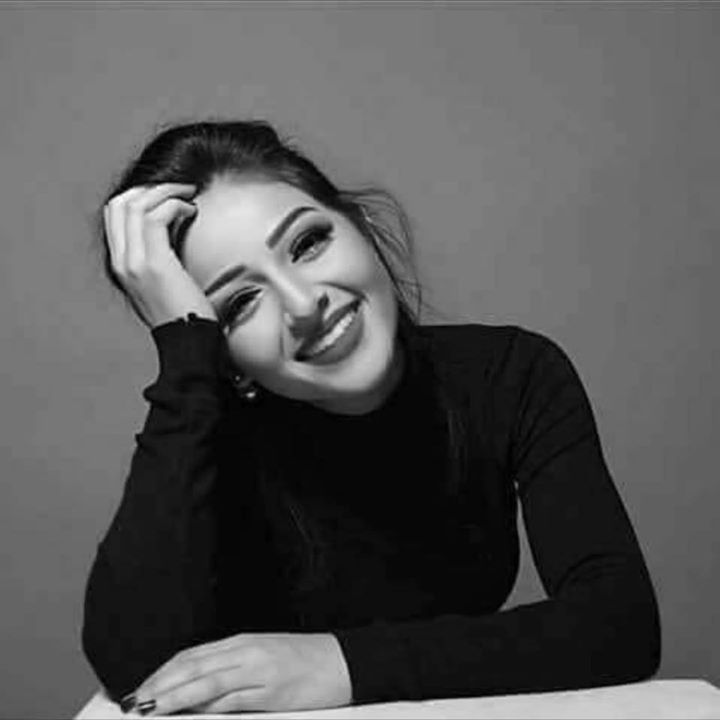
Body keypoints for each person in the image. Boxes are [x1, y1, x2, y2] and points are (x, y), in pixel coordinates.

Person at [82, 119, 661, 716]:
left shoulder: (511, 374)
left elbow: (619, 623)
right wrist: (186, 355)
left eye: (308, 243)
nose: (304, 304)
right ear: (225, 356)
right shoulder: (207, 432)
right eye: (240, 303)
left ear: (358, 227)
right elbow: (136, 668)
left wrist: (343, 665)